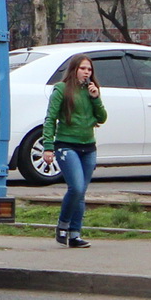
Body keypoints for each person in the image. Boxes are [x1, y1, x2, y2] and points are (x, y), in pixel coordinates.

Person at [41, 54, 107, 248]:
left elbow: (102, 118)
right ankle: (62, 225)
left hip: (88, 146)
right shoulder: (61, 90)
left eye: (89, 69)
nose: (87, 72)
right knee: (76, 187)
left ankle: (75, 234)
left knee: (81, 192)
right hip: (66, 145)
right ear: (74, 70)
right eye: (83, 68)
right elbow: (50, 118)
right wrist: (48, 147)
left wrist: (95, 98)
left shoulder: (91, 91)